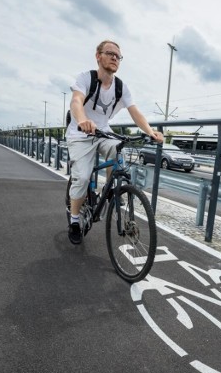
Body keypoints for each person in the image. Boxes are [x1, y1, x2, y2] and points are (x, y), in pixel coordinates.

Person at [65, 40, 164, 245]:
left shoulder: (121, 87)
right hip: (80, 134)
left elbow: (135, 112)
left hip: (103, 133)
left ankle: (112, 192)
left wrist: (150, 132)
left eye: (118, 56)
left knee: (119, 151)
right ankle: (75, 220)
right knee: (82, 178)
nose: (114, 58)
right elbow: (76, 101)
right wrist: (83, 120)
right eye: (110, 53)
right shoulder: (86, 78)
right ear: (98, 56)